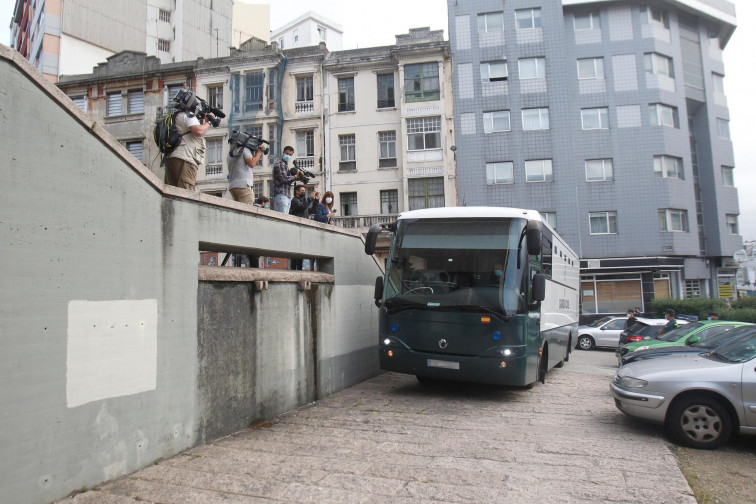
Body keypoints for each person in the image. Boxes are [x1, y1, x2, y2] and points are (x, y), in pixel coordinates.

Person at [166, 90, 216, 191]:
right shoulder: (188, 115)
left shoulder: (176, 116)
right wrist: (209, 122)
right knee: (186, 193)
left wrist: (202, 121)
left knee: (171, 192)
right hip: (186, 158)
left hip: (172, 157)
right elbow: (199, 131)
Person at [227, 132, 264, 204]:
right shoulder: (244, 150)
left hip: (233, 186)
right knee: (247, 211)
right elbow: (252, 163)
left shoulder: (230, 152)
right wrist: (259, 153)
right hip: (243, 185)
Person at [272, 146, 299, 213]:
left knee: (284, 219)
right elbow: (283, 179)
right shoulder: (280, 164)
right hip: (281, 194)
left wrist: (295, 177)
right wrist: (296, 177)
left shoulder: (285, 165)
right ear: (283, 152)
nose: (288, 156)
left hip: (286, 195)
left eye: (290, 154)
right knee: (282, 220)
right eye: (287, 153)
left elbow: (286, 179)